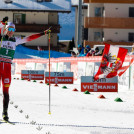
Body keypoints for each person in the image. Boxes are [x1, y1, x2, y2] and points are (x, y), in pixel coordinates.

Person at [0, 17, 49, 121]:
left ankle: (5, 113)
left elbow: (30, 37)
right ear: (6, 29)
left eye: (13, 30)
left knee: (6, 92)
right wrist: (2, 23)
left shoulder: (16, 40)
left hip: (7, 68)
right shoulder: (1, 38)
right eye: (9, 29)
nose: (10, 32)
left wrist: (42, 33)